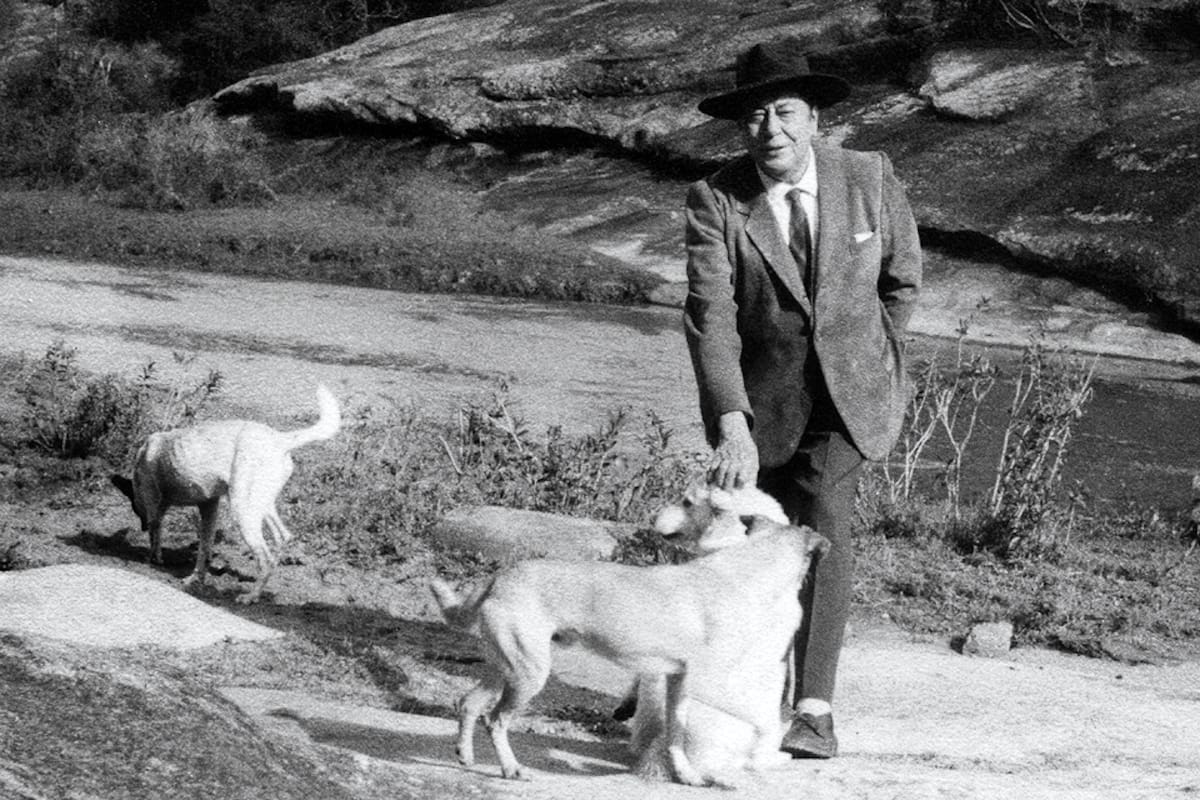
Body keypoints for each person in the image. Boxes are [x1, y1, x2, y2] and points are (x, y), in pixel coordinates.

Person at [684, 38, 922, 758]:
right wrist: (732, 421)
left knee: (822, 517)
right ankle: (684, 680)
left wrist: (872, 357)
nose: (771, 130)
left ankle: (813, 707)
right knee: (745, 535)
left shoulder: (869, 176)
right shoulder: (715, 199)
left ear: (815, 119)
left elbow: (902, 282)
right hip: (760, 404)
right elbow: (710, 315)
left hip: (852, 398)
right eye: (755, 116)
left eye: (786, 112)